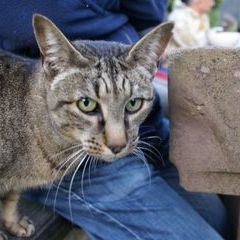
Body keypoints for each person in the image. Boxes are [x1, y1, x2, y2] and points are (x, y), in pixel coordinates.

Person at [0, 1, 228, 239]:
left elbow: (150, 15)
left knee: (219, 218)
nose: (117, 140)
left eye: (134, 105)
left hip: (149, 133)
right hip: (70, 153)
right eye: (87, 105)